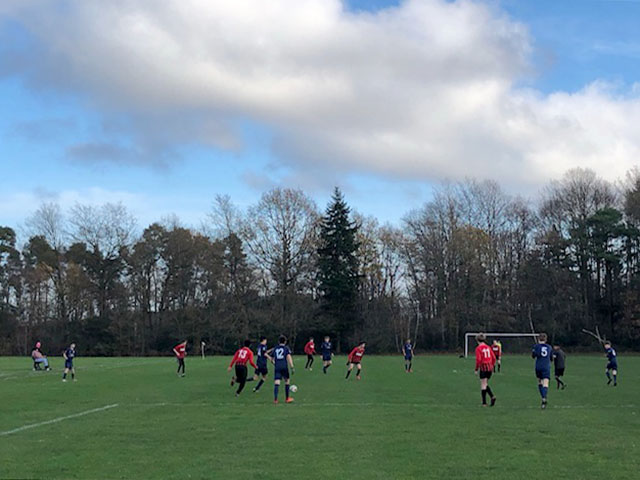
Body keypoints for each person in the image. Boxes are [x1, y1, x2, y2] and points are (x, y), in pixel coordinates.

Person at [267, 336, 295, 404]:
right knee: (287, 381)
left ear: (278, 342)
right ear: (285, 342)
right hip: (284, 366)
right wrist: (292, 367)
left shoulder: (275, 348)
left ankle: (275, 400)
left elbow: (271, 359)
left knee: (277, 382)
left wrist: (274, 363)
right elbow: (289, 357)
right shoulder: (286, 348)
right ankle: (287, 398)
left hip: (277, 367)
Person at [474, 333, 497, 407]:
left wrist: (476, 369)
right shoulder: (488, 347)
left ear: (477, 340)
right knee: (485, 383)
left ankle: (485, 402)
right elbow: (493, 358)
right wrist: (492, 365)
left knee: (483, 384)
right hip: (489, 367)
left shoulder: (478, 348)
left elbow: (478, 360)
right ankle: (491, 397)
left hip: (483, 367)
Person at [532, 333, 552, 409]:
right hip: (546, 367)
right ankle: (544, 398)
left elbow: (533, 356)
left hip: (538, 366)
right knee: (545, 383)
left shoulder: (536, 346)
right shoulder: (549, 347)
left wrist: (534, 350)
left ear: (538, 339)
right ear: (546, 339)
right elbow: (551, 358)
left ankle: (543, 397)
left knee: (540, 382)